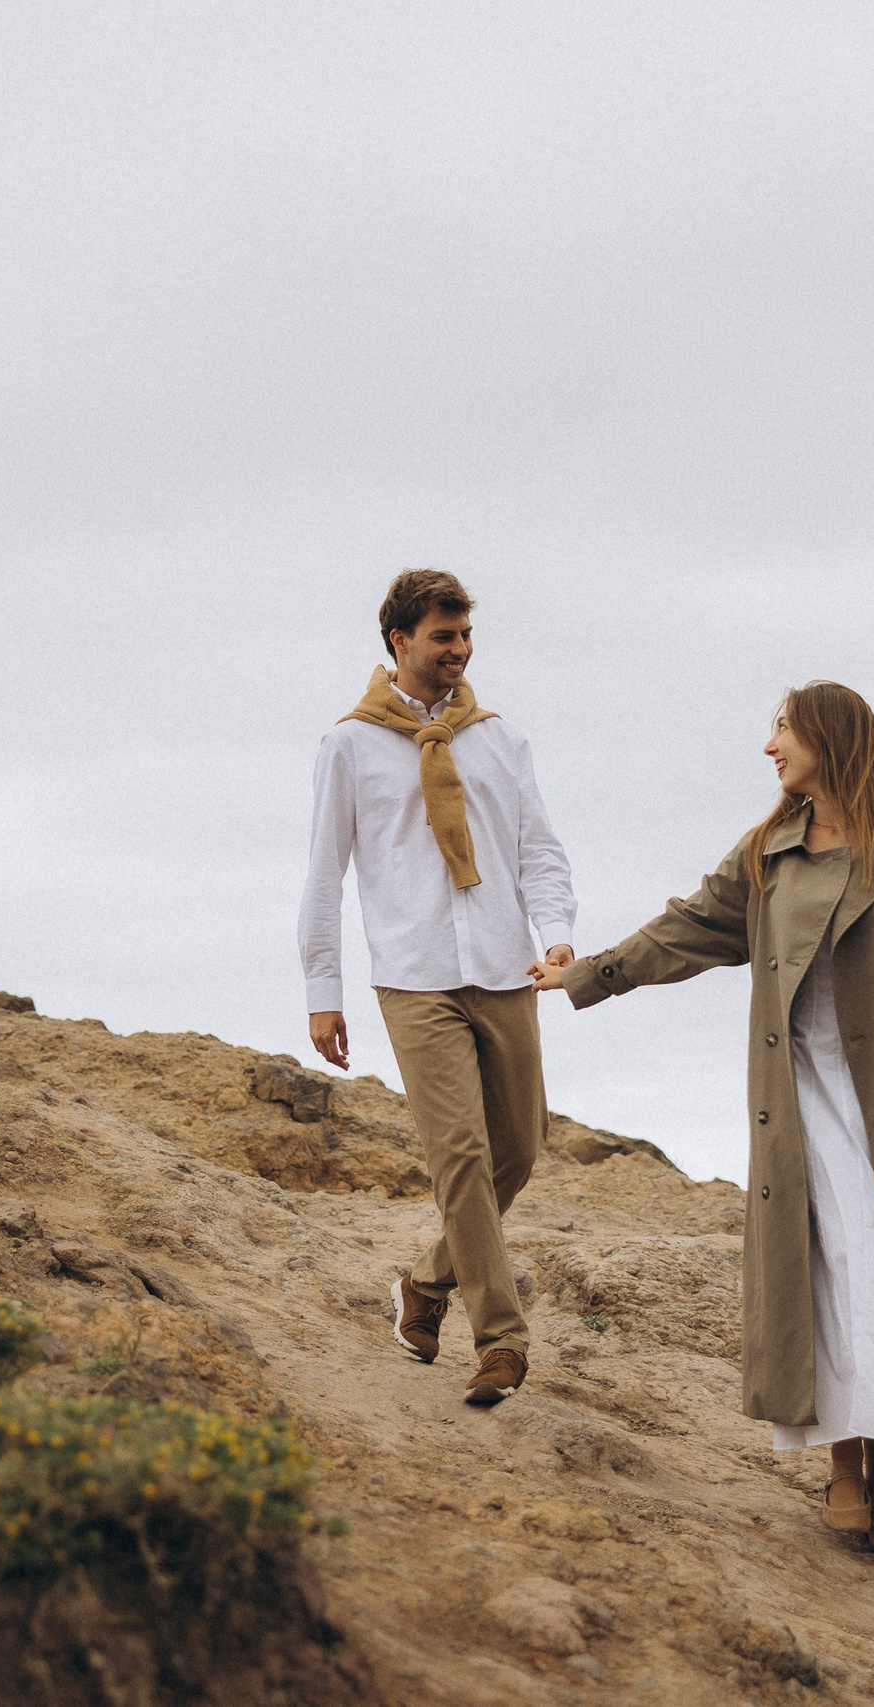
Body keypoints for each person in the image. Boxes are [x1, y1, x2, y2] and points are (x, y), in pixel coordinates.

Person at [533, 680, 874, 1567]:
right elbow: (686, 929)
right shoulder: (768, 852)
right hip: (803, 1097)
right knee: (836, 1281)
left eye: (781, 728)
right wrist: (590, 975)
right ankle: (846, 1474)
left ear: (828, 737)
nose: (769, 746)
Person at [301, 569, 575, 1406]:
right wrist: (324, 987)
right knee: (459, 1154)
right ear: (399, 641)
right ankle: (501, 1341)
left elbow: (537, 849)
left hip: (503, 965)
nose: (457, 652)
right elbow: (324, 875)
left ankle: (425, 1284)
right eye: (441, 637)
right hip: (413, 975)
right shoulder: (348, 745)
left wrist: (558, 935)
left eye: (464, 638)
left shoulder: (499, 739)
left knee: (517, 1150)